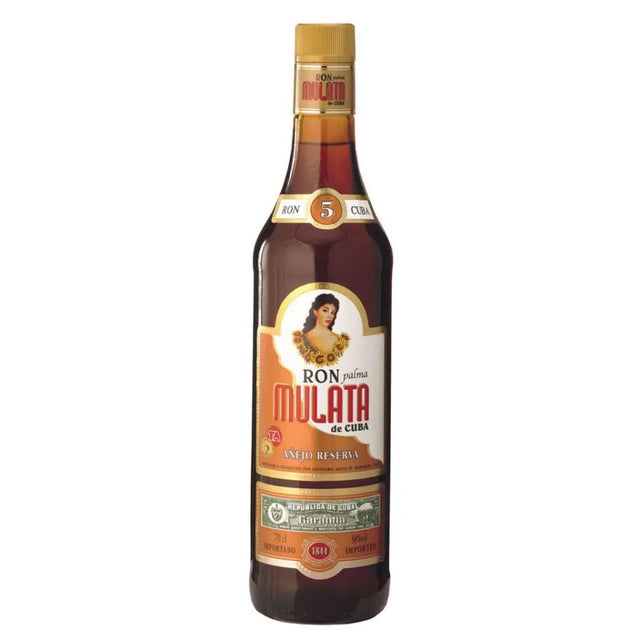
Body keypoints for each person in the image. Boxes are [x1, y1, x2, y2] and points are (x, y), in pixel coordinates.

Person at [292, 294, 350, 367]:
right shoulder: (301, 339)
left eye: (332, 312)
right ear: (315, 311)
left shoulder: (341, 341)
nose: (329, 316)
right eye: (325, 310)